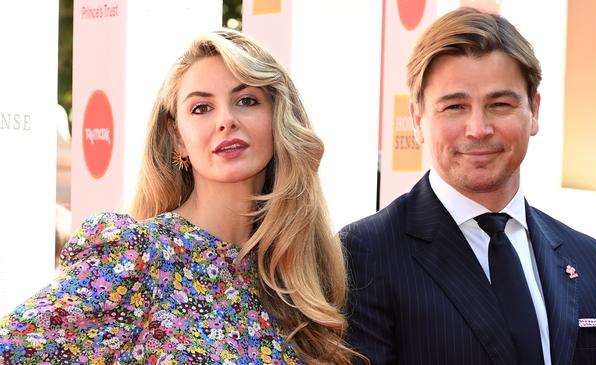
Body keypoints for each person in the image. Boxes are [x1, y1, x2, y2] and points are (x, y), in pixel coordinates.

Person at [0, 29, 355, 364]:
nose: (226, 120)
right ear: (178, 137)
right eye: (202, 108)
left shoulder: (296, 277)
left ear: (278, 117)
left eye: (247, 100)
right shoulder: (137, 256)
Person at [341, 7, 596, 365]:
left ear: (534, 111)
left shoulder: (594, 262)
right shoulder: (363, 255)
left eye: (500, 104)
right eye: (455, 107)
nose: (478, 128)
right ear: (418, 121)